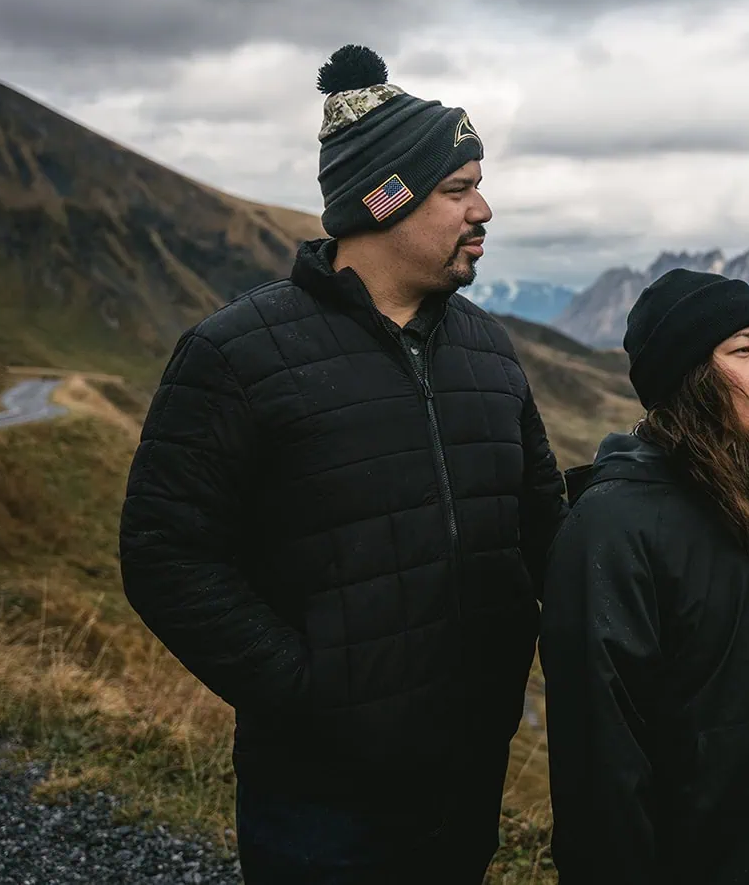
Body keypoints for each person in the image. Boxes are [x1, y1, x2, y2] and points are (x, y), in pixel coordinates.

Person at [118, 44, 568, 884]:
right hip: (317, 799)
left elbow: (545, 526)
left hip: (467, 773)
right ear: (385, 199)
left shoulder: (489, 350)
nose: (484, 210)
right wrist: (308, 694)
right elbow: (164, 552)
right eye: (459, 188)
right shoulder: (237, 355)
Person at [538, 268, 749, 885]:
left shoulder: (734, 501)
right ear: (687, 375)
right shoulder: (612, 525)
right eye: (742, 350)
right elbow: (598, 755)